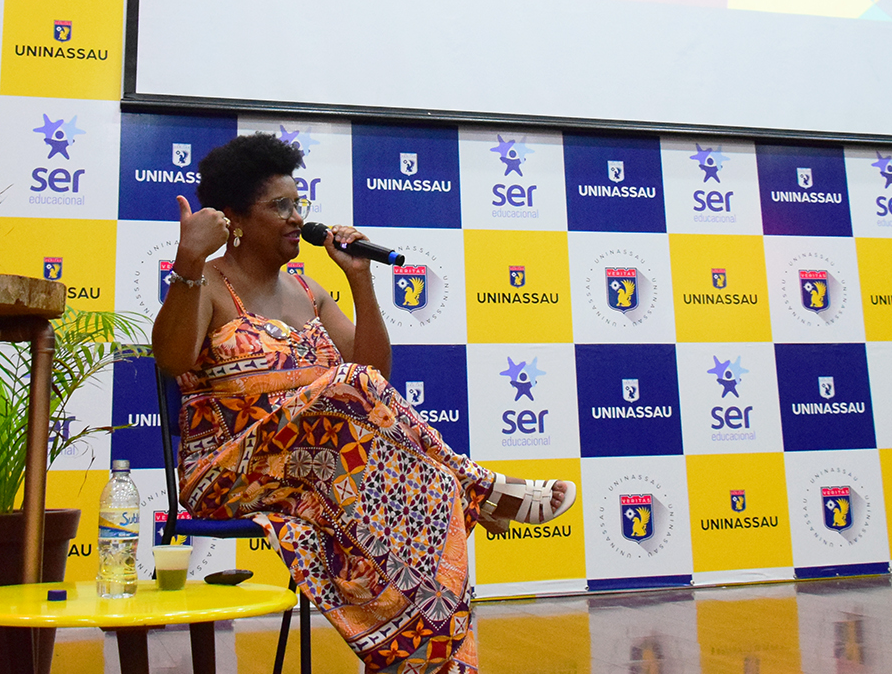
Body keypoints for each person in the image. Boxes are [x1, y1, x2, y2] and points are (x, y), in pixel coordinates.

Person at [152, 133, 575, 674]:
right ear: (232, 216)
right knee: (352, 395)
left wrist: (360, 281)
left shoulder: (309, 292)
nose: (295, 217)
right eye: (279, 205)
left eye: (298, 202)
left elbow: (374, 383)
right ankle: (482, 490)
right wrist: (189, 259)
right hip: (229, 474)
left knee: (431, 491)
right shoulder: (207, 284)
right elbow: (171, 359)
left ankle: (428, 660)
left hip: (319, 475)